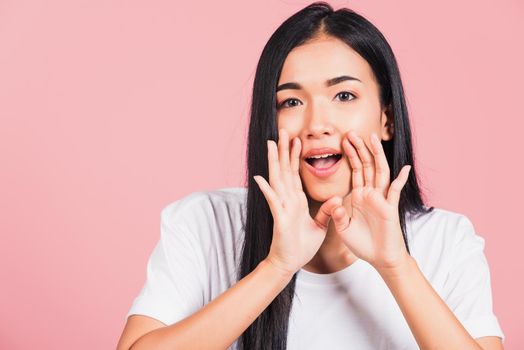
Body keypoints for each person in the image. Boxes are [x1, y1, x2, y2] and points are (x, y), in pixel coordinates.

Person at [117, 2, 505, 349]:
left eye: (344, 96)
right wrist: (277, 266)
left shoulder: (447, 241)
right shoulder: (205, 224)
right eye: (291, 101)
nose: (317, 124)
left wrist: (395, 265)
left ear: (387, 117)